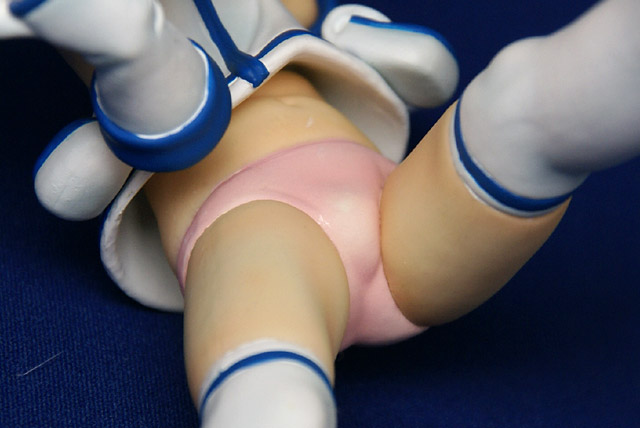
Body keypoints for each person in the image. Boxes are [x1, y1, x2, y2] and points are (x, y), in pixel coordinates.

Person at [2, 0, 639, 427]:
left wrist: (378, 43)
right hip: (253, 219)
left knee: (511, 112)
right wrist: (108, 137)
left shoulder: (308, 22)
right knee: (265, 341)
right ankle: (269, 397)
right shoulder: (127, 116)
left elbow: (430, 69)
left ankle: (567, 88)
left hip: (400, 208)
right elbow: (65, 188)